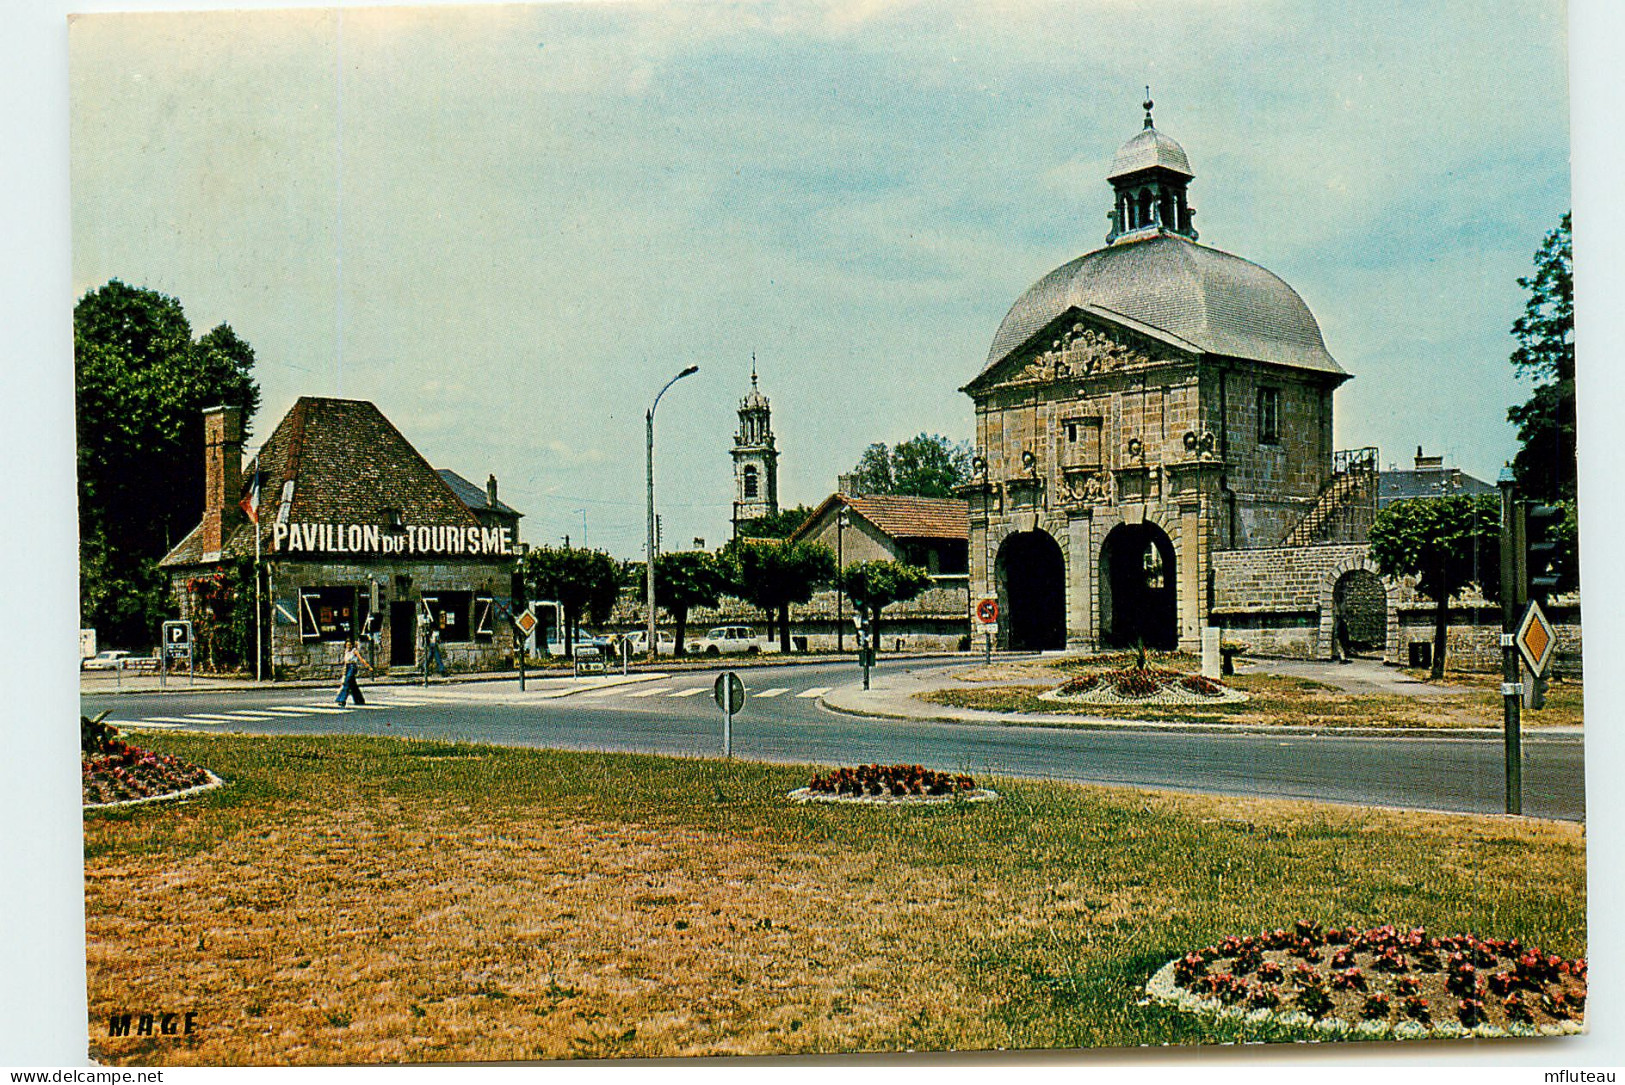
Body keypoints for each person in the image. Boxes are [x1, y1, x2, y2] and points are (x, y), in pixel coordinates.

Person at [336, 637, 371, 706]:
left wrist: (368, 666)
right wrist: (344, 671)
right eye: (347, 645)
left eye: (350, 645)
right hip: (348, 667)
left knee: (347, 682)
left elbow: (361, 659)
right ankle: (359, 699)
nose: (348, 646)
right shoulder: (346, 651)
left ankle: (342, 700)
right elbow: (346, 662)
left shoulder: (354, 651)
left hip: (352, 667)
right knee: (353, 685)